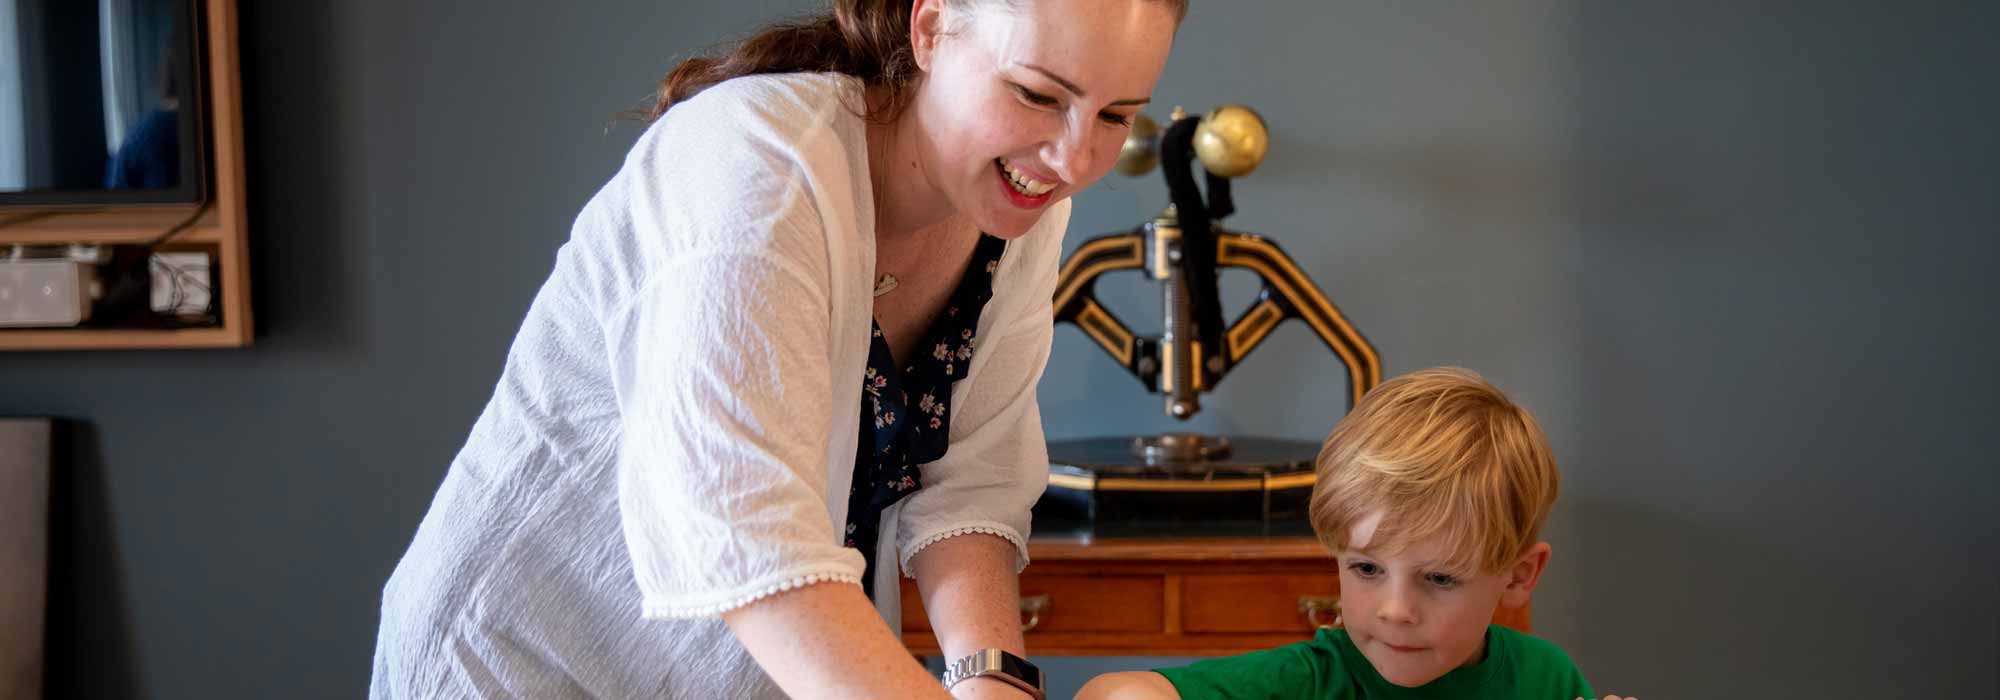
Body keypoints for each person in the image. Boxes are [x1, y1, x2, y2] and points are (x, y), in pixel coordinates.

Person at [369, 0, 1182, 698]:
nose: (1075, 161)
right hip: (519, 662)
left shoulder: (1017, 205)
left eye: (1117, 115)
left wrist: (990, 678)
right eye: (1038, 95)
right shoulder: (759, 172)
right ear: (932, 29)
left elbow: (972, 487)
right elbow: (746, 533)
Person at [1078, 367, 1629, 700]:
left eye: (1439, 578)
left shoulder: (1546, 679)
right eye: (1367, 569)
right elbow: (1112, 692)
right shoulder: (1307, 682)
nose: (1395, 610)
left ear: (1519, 575)